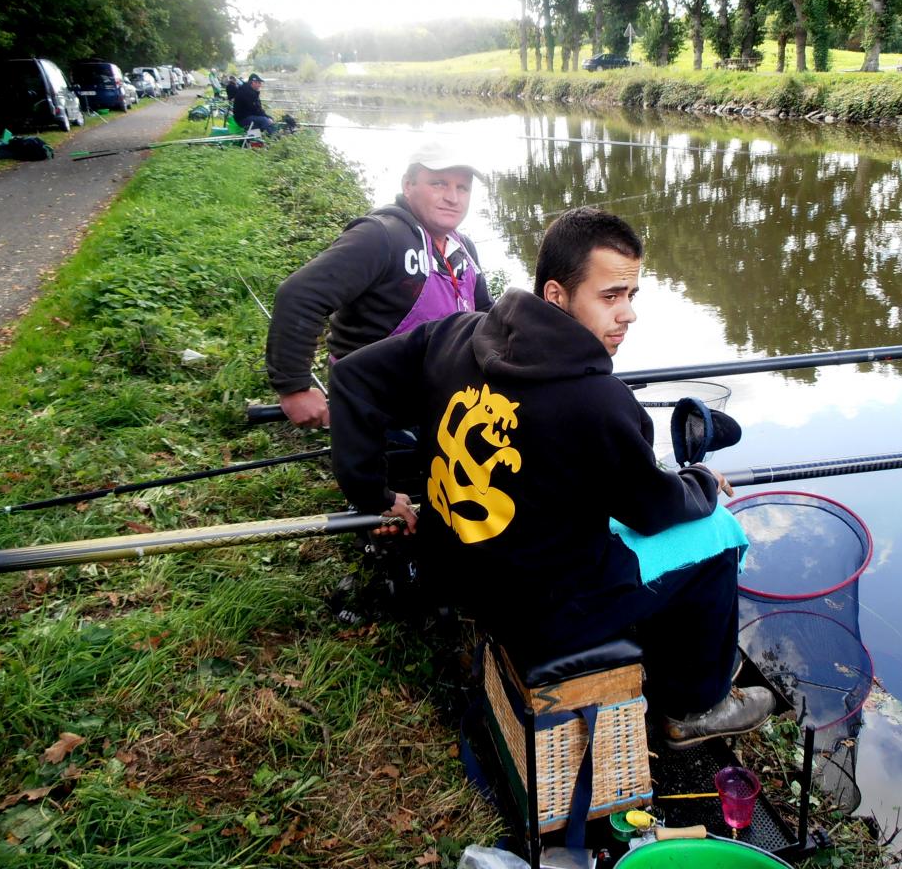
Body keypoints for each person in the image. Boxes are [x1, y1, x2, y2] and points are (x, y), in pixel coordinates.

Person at [328, 207, 774, 747]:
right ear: (557, 296)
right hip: (537, 611)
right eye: (610, 297)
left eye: (632, 296)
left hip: (451, 561)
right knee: (715, 541)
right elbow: (657, 510)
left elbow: (351, 377)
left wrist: (370, 493)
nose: (628, 315)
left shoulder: (457, 331)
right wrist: (701, 480)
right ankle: (695, 707)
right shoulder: (595, 400)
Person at [266, 143, 494, 429]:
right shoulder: (380, 236)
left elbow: (485, 311)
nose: (452, 197)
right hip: (376, 404)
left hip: (440, 396)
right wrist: (294, 389)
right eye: (438, 183)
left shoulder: (463, 247)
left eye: (463, 188)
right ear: (408, 185)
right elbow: (299, 296)